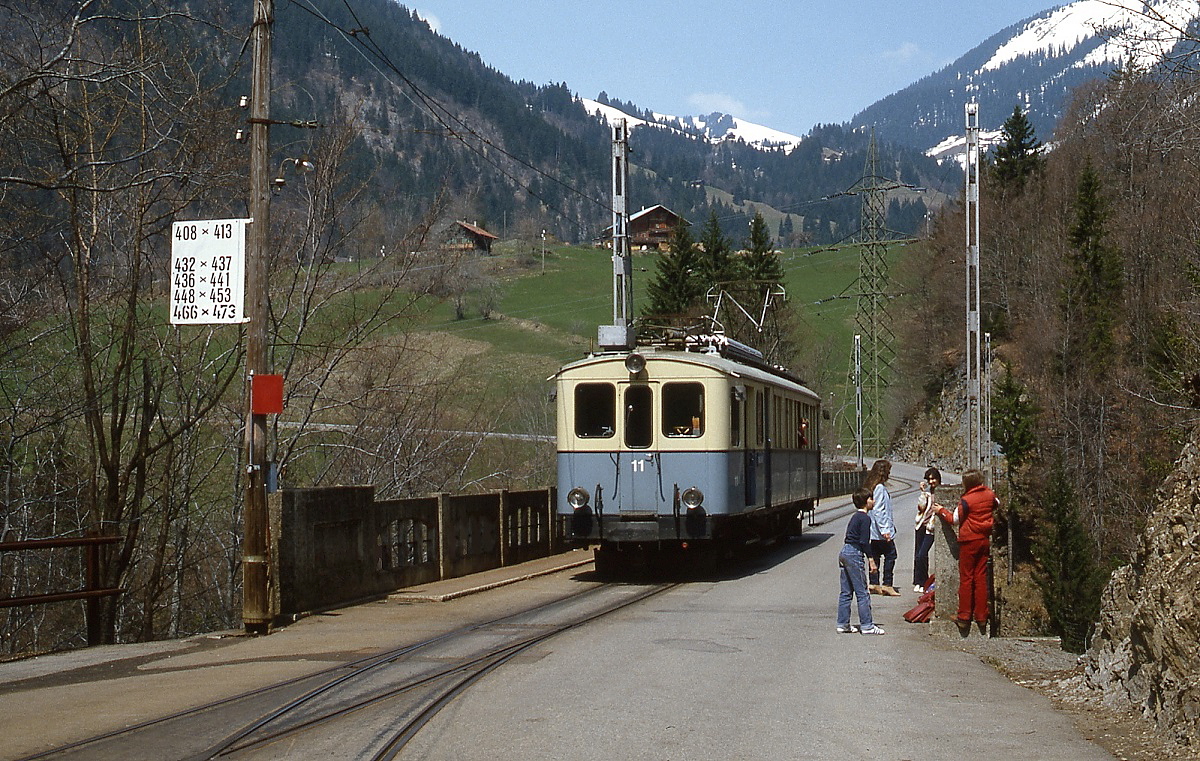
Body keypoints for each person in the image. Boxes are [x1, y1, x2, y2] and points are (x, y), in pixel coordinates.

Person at [937, 468, 998, 634]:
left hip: (968, 541)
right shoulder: (989, 494)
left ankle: (964, 617)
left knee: (966, 578)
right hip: (984, 540)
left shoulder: (966, 500)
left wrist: (941, 511)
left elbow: (954, 520)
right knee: (980, 578)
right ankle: (981, 617)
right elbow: (997, 504)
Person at [837, 488, 885, 635]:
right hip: (854, 553)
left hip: (845, 551)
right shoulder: (865, 518)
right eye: (871, 498)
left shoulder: (855, 517)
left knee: (846, 592)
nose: (874, 501)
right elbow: (864, 542)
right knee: (862, 592)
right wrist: (871, 560)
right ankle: (867, 625)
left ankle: (843, 623)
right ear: (866, 501)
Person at [863, 459, 900, 596]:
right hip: (881, 531)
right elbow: (879, 510)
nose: (889, 474)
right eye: (888, 471)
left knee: (876, 555)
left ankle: (874, 583)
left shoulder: (873, 487)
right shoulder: (879, 488)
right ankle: (887, 584)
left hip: (874, 532)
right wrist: (885, 530)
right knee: (891, 555)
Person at [912, 467, 942, 593]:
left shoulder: (942, 492)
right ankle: (918, 581)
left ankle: (923, 581)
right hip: (921, 526)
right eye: (929, 479)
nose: (931, 482)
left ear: (938, 479)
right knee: (917, 555)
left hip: (931, 528)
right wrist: (923, 493)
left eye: (933, 479)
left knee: (922, 554)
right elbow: (921, 507)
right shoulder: (928, 493)